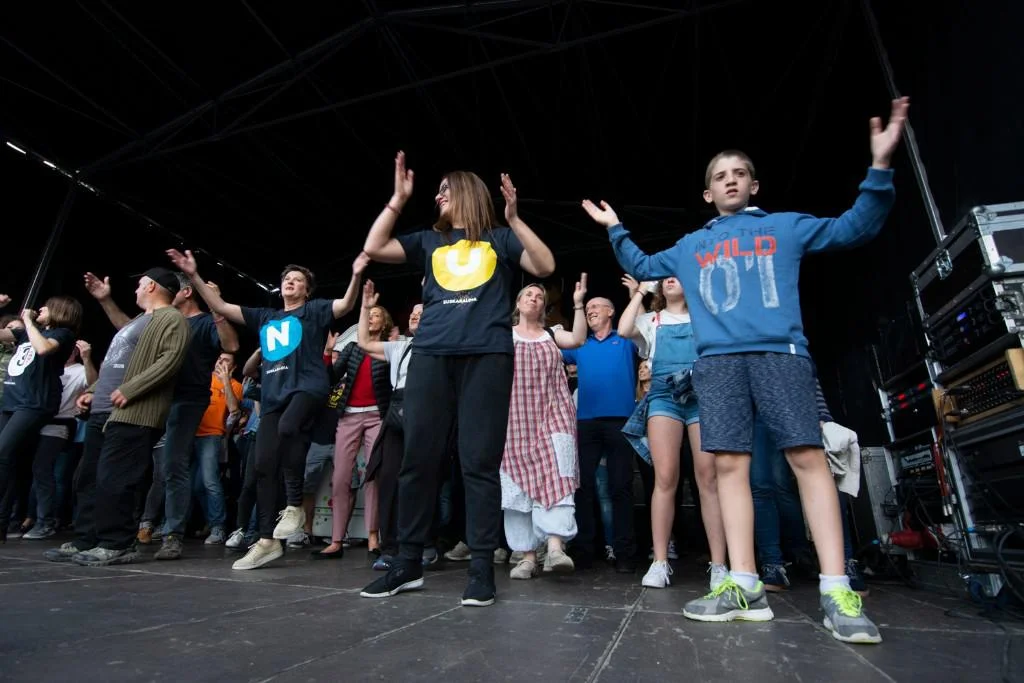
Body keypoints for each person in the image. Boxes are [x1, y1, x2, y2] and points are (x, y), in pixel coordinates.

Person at [583, 97, 909, 644]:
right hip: (717, 366)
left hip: (781, 356)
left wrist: (879, 167)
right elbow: (641, 266)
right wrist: (615, 227)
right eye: (719, 176)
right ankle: (744, 585)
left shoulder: (785, 226)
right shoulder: (692, 245)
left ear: (754, 185)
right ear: (707, 193)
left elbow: (855, 227)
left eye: (739, 173)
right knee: (729, 468)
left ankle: (836, 590)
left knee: (807, 460)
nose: (730, 180)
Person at [360, 151, 555, 606]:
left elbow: (544, 265)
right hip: (431, 354)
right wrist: (397, 200)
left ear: (466, 192)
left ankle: (481, 568)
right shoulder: (430, 241)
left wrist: (514, 219)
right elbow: (374, 247)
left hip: (486, 357)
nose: (437, 196)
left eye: (444, 189)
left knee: (478, 463)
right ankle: (408, 562)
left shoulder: (500, 239)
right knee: (418, 460)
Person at [166, 248, 366, 570]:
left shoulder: (314, 311)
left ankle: (294, 505)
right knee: (262, 465)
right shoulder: (265, 317)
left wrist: (355, 275)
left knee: (289, 428)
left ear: (306, 290)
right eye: (287, 278)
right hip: (274, 396)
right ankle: (266, 541)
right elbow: (220, 306)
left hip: (308, 388)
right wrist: (193, 274)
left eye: (297, 280)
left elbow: (345, 305)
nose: (290, 282)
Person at [44, 268, 191, 566]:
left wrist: (131, 389)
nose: (136, 289)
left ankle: (117, 543)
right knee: (88, 479)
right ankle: (87, 538)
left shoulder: (172, 318)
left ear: (152, 286)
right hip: (104, 411)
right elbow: (119, 363)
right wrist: (93, 390)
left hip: (134, 412)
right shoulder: (138, 321)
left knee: (117, 480)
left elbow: (170, 359)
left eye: (140, 284)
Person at [617, 275, 728, 591]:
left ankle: (719, 565)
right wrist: (640, 291)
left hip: (701, 395)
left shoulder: (703, 317)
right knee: (665, 479)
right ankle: (660, 561)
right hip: (664, 396)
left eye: (676, 274)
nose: (669, 278)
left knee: (708, 479)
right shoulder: (652, 320)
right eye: (665, 276)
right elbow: (623, 329)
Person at [0, 295, 82, 541]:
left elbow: (44, 349)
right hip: (12, 401)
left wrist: (28, 321)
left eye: (47, 306)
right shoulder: (28, 333)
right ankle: (3, 521)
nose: (41, 308)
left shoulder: (63, 334)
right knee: (7, 460)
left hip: (34, 402)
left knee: (3, 454)